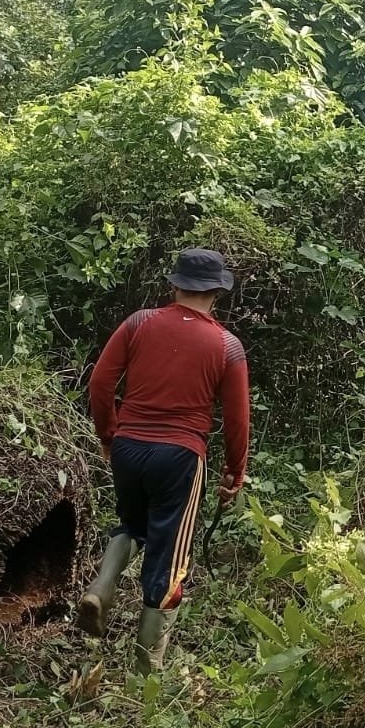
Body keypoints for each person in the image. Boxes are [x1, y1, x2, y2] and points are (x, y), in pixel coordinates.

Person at [77, 247, 250, 674]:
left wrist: (107, 435)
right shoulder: (227, 347)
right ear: (216, 293)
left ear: (174, 286)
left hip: (128, 445)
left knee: (132, 524)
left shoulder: (138, 323)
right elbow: (236, 420)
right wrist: (234, 473)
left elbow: (100, 382)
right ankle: (147, 670)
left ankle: (102, 586)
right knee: (170, 556)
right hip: (179, 455)